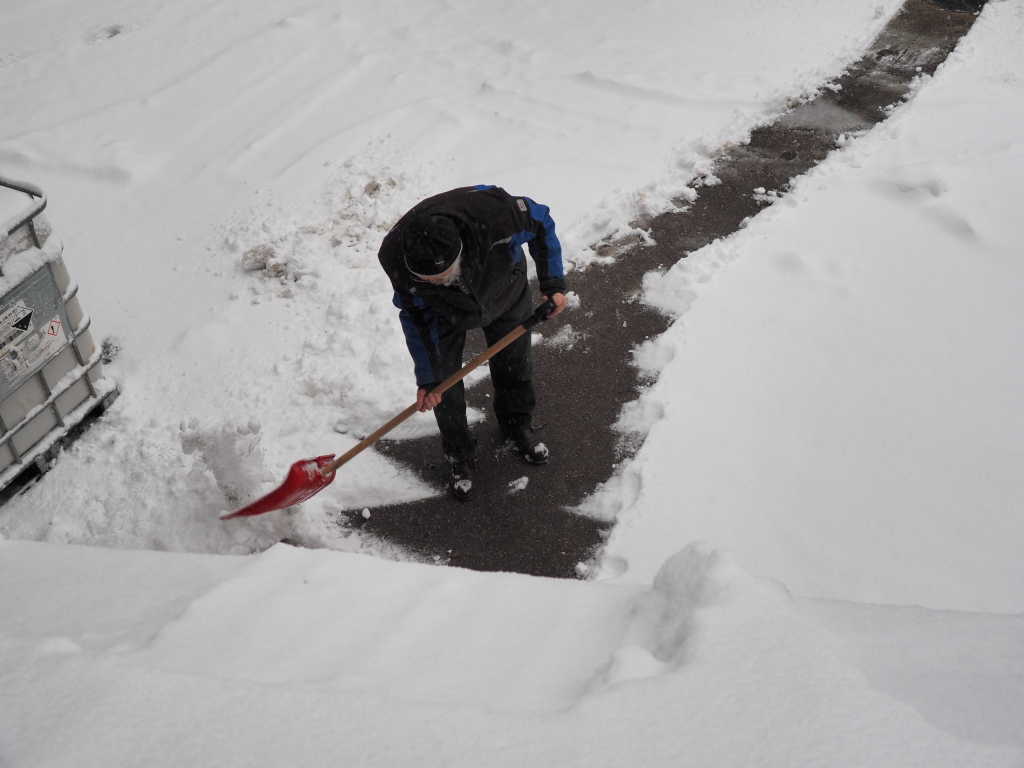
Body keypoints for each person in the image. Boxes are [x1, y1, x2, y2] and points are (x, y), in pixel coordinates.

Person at [378, 184, 568, 501]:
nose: (430, 282)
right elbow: (414, 314)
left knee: (515, 363)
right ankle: (459, 453)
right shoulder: (394, 255)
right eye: (424, 279)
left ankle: (516, 425)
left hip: (504, 287)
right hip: (441, 313)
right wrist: (428, 376)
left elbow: (541, 221)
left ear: (459, 253)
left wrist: (553, 283)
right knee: (443, 388)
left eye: (438, 276)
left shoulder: (496, 214)